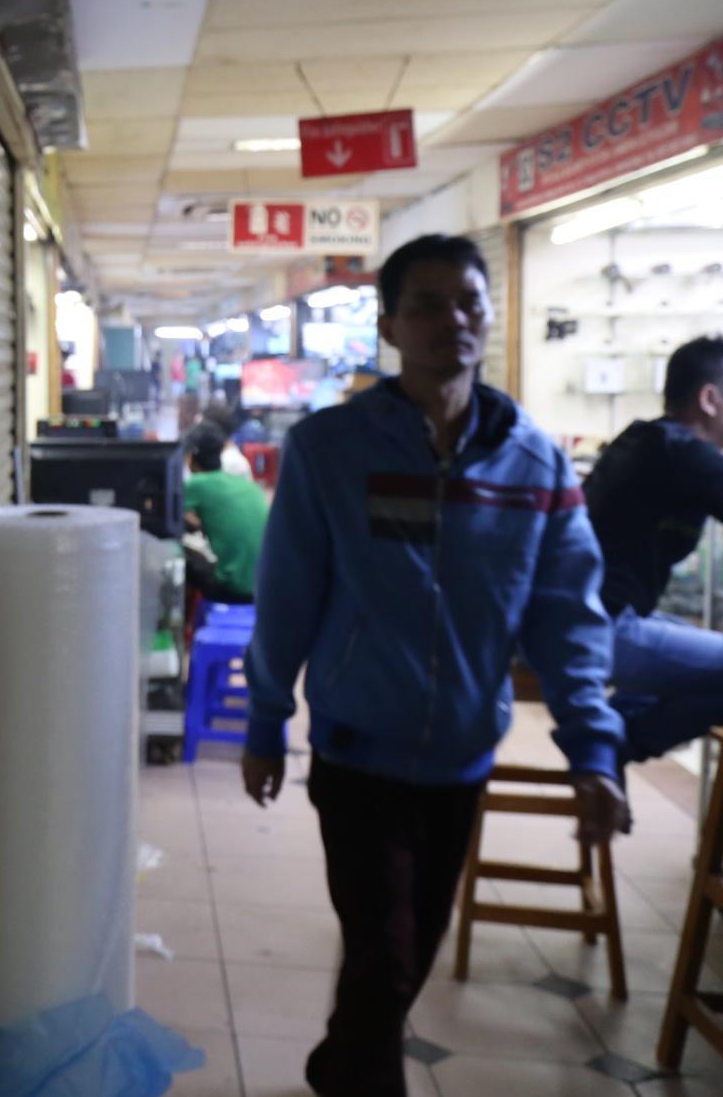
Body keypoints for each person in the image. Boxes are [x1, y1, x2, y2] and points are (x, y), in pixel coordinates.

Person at [240, 234, 625, 1097]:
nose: (452, 319)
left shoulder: (535, 463)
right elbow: (288, 594)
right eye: (426, 303)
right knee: (384, 955)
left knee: (405, 958)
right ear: (388, 326)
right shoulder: (330, 450)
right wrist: (266, 721)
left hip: (461, 756)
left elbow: (568, 614)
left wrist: (593, 746)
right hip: (355, 749)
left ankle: (337, 1064)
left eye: (468, 302)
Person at [584, 335, 723, 763]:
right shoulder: (685, 454)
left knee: (700, 650)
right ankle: (610, 751)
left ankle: (609, 735)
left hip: (588, 617)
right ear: (709, 399)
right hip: (596, 629)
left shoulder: (647, 439)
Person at [183, 429, 267, 604]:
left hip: (232, 589)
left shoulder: (197, 484)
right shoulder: (243, 484)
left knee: (180, 555)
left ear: (190, 458)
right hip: (264, 587)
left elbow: (167, 514)